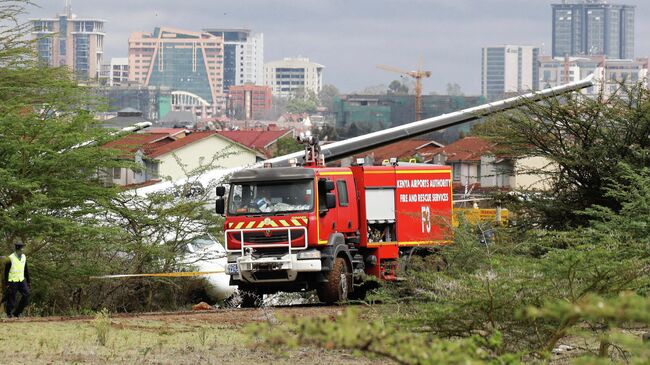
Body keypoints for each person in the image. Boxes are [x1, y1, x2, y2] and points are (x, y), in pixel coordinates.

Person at [3, 240, 30, 318]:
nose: (23, 250)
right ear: (18, 249)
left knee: (27, 295)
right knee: (11, 298)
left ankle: (17, 313)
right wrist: (7, 284)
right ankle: (9, 314)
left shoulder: (24, 257)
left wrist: (28, 281)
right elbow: (6, 272)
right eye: (22, 248)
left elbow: (25, 269)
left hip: (21, 280)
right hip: (12, 281)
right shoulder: (10, 258)